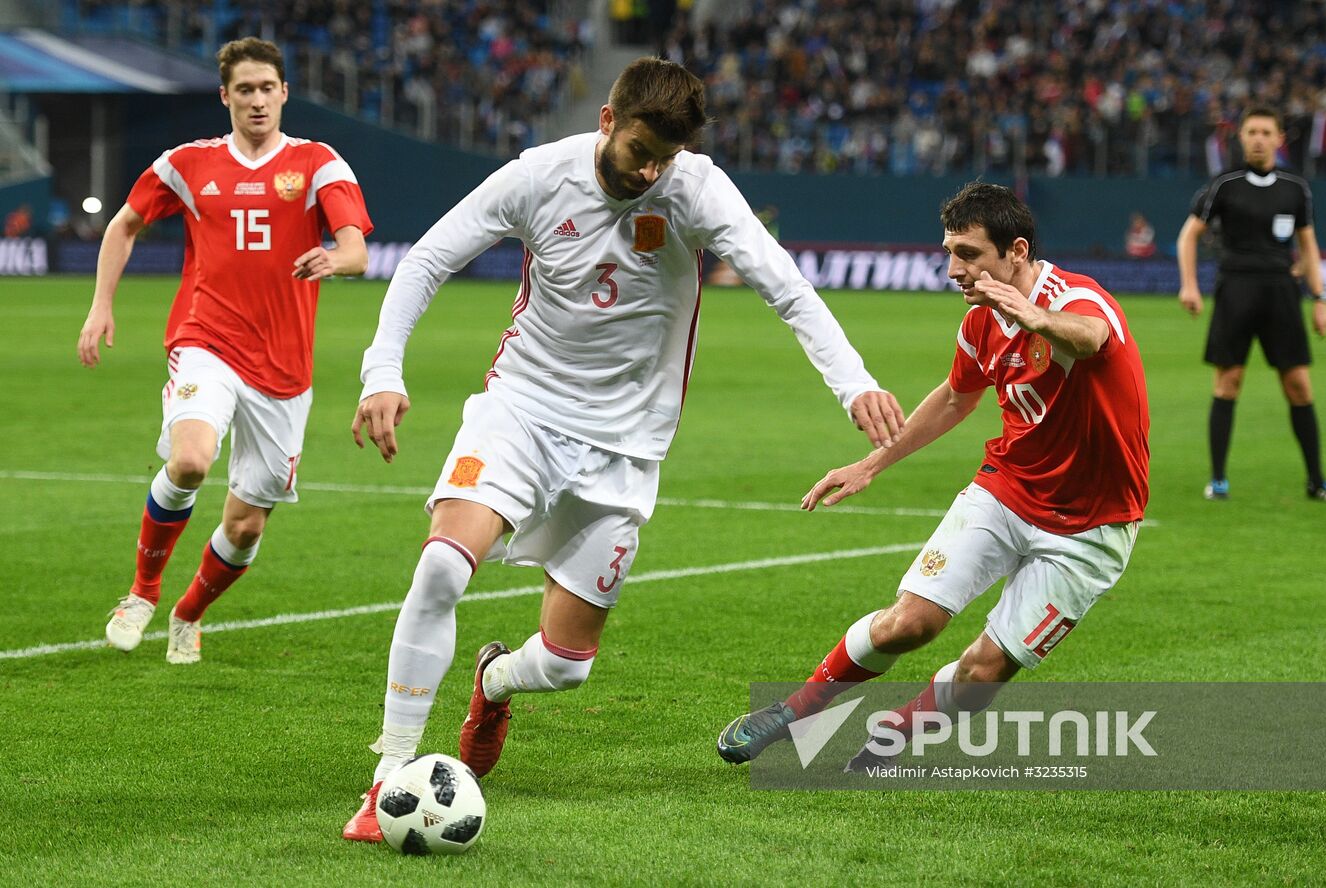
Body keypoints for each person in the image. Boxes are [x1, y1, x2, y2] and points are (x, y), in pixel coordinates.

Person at [340, 57, 905, 842]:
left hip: (625, 448)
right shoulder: (537, 176)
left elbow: (784, 284)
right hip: (521, 411)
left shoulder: (695, 188)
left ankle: (494, 681)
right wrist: (382, 372)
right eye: (641, 148)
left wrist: (854, 385)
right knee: (440, 566)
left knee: (567, 666)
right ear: (608, 119)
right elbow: (430, 258)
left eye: (665, 158)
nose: (650, 170)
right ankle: (386, 777)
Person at [716, 182, 1149, 770]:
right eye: (949, 252)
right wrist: (870, 463)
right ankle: (794, 712)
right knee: (906, 624)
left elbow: (1091, 336)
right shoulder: (979, 324)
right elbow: (954, 399)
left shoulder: (1076, 298)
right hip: (1007, 492)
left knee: (983, 671)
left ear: (1016, 252)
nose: (953, 269)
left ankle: (896, 731)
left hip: (1090, 531)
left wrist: (1034, 316)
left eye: (969, 254)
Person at [76, 37, 372, 664]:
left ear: (285, 92)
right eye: (245, 90)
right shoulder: (186, 164)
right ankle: (141, 593)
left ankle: (188, 612)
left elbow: (357, 248)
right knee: (189, 461)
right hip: (204, 338)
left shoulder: (319, 163)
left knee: (245, 526)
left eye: (268, 88)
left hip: (284, 370)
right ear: (225, 97)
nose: (258, 100)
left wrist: (336, 258)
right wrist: (101, 304)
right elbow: (124, 223)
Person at [1177, 106, 1326, 503]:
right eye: (1251, 131)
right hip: (1235, 288)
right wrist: (1189, 285)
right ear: (1241, 137)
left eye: (1265, 132)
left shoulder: (1296, 188)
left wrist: (1320, 299)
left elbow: (1308, 244)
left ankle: (1317, 481)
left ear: (1279, 139)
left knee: (1298, 386)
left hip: (1281, 293)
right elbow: (1188, 236)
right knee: (1228, 382)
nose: (1258, 138)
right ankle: (1218, 480)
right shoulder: (1224, 185)